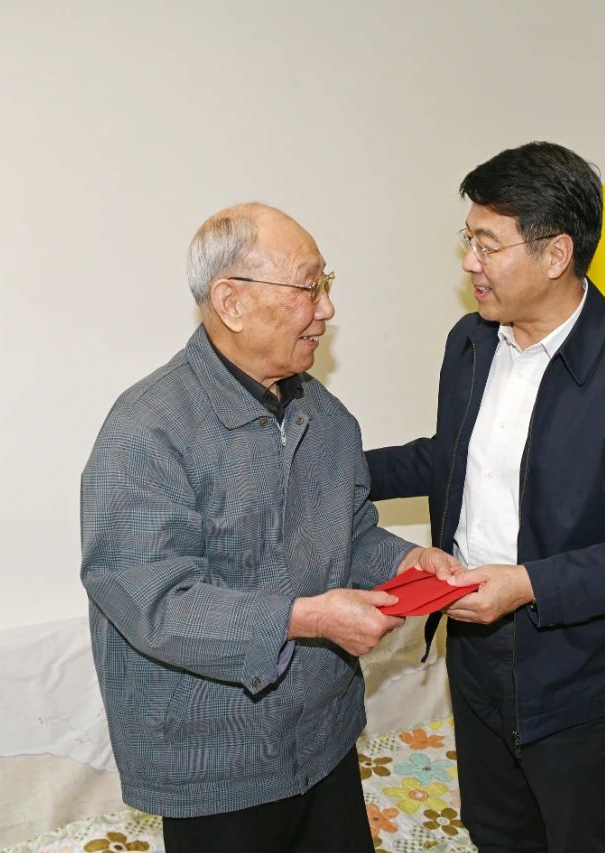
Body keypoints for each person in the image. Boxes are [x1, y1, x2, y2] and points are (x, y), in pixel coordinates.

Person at [81, 203, 460, 853]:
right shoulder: (147, 429)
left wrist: (405, 561)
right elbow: (154, 601)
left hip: (324, 735)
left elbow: (352, 531)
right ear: (231, 301)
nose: (327, 309)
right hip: (215, 759)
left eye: (325, 284)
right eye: (308, 287)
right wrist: (306, 618)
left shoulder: (327, 417)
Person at [367, 142, 605, 852]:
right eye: (468, 240)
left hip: (581, 671)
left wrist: (526, 584)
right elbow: (453, 456)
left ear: (556, 253)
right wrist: (333, 471)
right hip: (474, 648)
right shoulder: (470, 343)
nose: (470, 263)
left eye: (487, 245)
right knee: (496, 832)